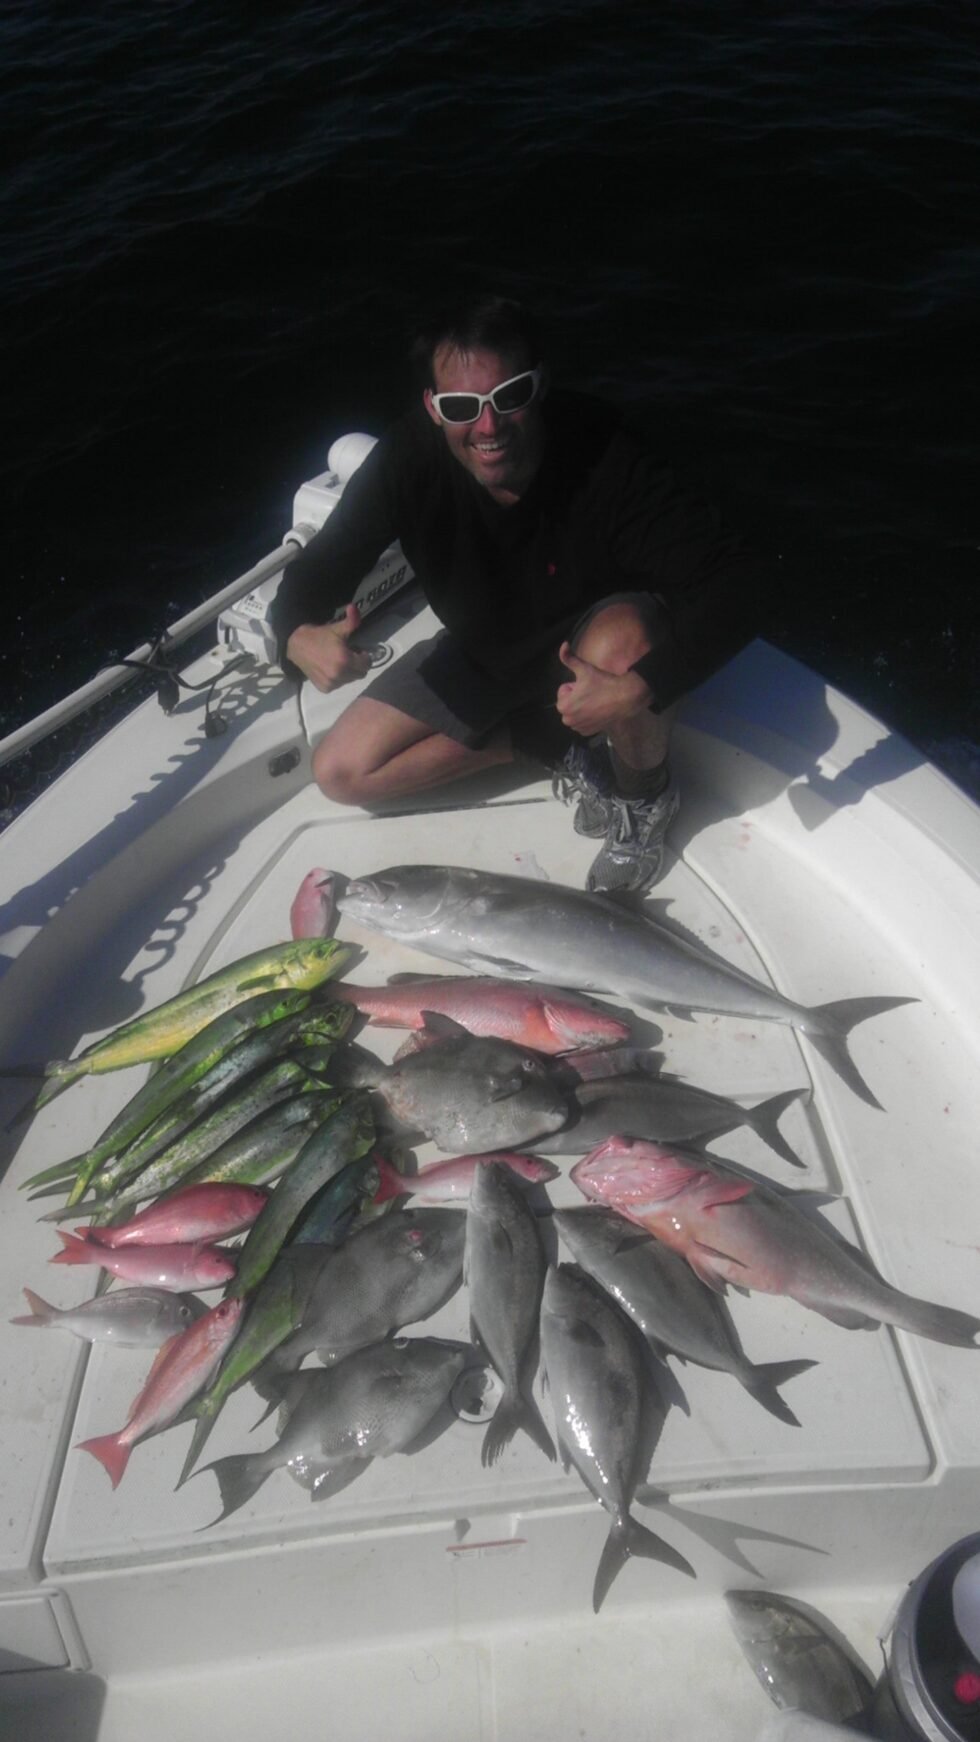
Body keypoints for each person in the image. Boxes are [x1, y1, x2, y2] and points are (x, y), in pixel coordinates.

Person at [270, 294, 768, 893]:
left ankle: (644, 797)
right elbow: (314, 572)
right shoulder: (404, 461)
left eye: (509, 396)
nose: (488, 427)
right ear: (432, 408)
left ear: (540, 384)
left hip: (592, 649)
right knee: (339, 773)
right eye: (462, 407)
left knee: (623, 648)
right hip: (484, 651)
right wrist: (295, 634)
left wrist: (640, 688)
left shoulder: (605, 450)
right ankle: (547, 741)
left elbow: (741, 581)